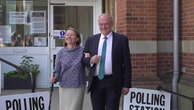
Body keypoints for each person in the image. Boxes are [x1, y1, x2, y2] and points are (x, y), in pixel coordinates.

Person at [83, 14, 132, 110]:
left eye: (106, 24)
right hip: (96, 82)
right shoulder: (91, 40)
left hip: (113, 82)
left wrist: (126, 84)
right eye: (101, 24)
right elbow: (84, 59)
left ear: (112, 24)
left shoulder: (121, 40)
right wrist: (91, 60)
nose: (103, 27)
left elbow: (127, 63)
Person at [50, 28, 85, 110]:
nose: (69, 36)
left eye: (71, 35)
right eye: (67, 35)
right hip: (64, 86)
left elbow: (89, 65)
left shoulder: (83, 51)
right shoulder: (61, 52)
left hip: (78, 86)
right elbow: (57, 70)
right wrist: (55, 77)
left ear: (77, 38)